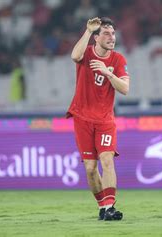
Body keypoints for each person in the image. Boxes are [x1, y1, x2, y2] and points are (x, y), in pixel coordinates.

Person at [66, 17, 130, 221]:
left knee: (107, 160)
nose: (112, 37)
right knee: (91, 168)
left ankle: (110, 206)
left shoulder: (118, 59)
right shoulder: (86, 52)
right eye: (106, 34)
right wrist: (87, 31)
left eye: (113, 33)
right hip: (82, 118)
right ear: (96, 38)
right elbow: (74, 55)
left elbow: (125, 89)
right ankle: (102, 207)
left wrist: (107, 73)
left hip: (105, 120)